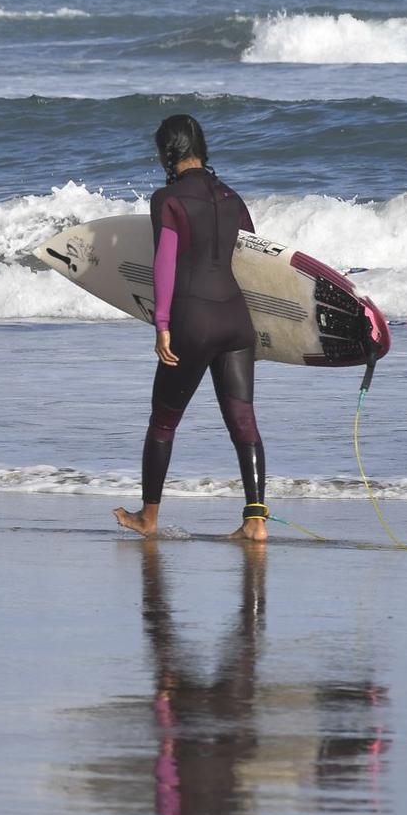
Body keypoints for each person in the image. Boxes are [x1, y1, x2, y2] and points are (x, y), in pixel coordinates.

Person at [114, 114, 269, 542]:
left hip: (192, 321)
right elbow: (255, 262)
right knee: (244, 422)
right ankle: (255, 521)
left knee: (163, 422)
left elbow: (164, 263)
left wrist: (162, 324)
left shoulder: (167, 199)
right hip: (237, 321)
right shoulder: (232, 197)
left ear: (168, 152)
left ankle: (148, 516)